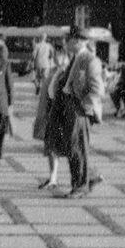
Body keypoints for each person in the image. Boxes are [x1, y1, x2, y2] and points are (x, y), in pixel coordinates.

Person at [61, 27, 105, 198]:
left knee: (77, 148)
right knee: (73, 147)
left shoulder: (90, 60)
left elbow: (97, 90)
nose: (66, 43)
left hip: (79, 110)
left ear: (78, 41)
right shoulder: (75, 58)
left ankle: (80, 187)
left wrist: (83, 107)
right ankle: (89, 177)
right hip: (69, 108)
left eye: (69, 40)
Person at [33, 46, 71, 190]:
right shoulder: (54, 72)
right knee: (52, 148)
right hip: (51, 116)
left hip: (61, 117)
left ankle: (89, 176)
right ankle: (53, 178)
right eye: (56, 55)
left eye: (60, 55)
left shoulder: (67, 73)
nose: (57, 58)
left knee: (69, 149)